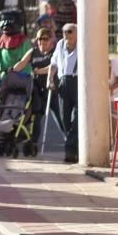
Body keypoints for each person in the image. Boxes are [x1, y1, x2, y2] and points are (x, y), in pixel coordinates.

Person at [12, 28, 55, 149]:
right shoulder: (33, 52)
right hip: (35, 87)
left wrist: (40, 71)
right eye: (40, 39)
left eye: (45, 39)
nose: (42, 41)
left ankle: (70, 141)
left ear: (50, 40)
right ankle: (28, 137)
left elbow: (53, 66)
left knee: (56, 116)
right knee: (33, 112)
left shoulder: (54, 52)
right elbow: (22, 63)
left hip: (50, 87)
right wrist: (12, 71)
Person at [49, 23, 79, 163]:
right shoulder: (60, 45)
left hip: (77, 81)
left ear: (77, 33)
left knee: (77, 118)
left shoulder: (83, 44)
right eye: (64, 32)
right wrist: (50, 79)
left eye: (70, 31)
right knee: (64, 118)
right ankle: (75, 147)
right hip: (63, 83)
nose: (66, 34)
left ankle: (70, 150)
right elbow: (53, 63)